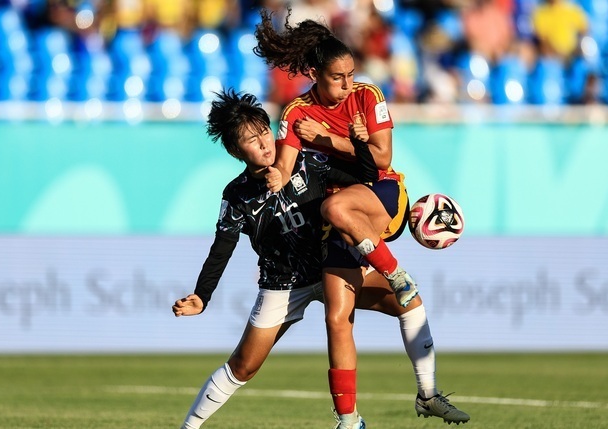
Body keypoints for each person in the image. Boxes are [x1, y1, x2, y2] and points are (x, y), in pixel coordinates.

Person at [172, 88, 453, 428]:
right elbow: (222, 247)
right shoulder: (237, 195)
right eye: (251, 140)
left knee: (409, 302)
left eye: (264, 132)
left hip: (332, 268)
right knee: (243, 366)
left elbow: (364, 179)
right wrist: (202, 295)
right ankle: (189, 427)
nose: (263, 143)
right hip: (283, 283)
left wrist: (360, 144)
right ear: (235, 150)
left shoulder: (307, 162)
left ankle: (427, 394)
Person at [254, 7, 470, 427]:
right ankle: (364, 415)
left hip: (382, 196)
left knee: (335, 206)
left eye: (352, 73)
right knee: (337, 315)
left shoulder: (368, 97)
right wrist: (268, 175)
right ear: (315, 73)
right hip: (343, 222)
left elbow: (384, 156)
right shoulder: (297, 113)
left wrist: (333, 139)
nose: (348, 84)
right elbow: (283, 167)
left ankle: (396, 273)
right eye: (339, 77)